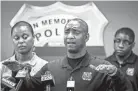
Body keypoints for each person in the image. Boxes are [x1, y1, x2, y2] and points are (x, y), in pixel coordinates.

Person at [31, 18, 133, 91]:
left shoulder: (102, 68)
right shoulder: (50, 67)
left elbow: (126, 89)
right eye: (67, 32)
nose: (70, 36)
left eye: (75, 32)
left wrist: (116, 74)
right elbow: (28, 87)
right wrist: (17, 74)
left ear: (87, 37)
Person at [1, 21, 48, 91]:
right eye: (16, 38)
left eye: (25, 37)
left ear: (33, 37)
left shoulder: (45, 66)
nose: (20, 41)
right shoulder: (2, 67)